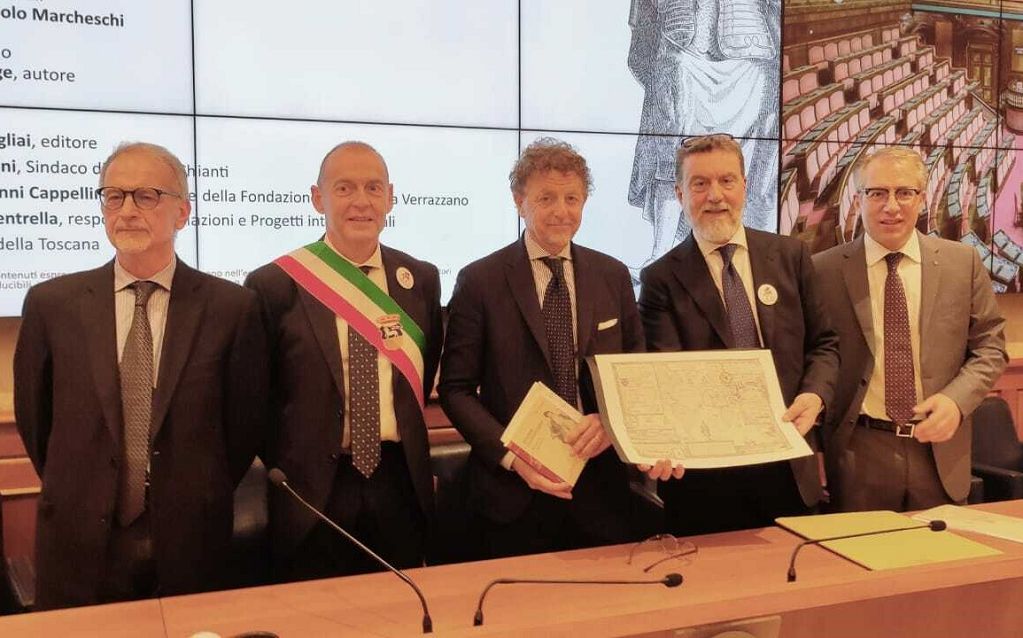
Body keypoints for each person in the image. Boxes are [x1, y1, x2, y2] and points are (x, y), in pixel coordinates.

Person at [14, 142, 267, 609]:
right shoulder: (52, 305)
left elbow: (242, 428)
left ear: (183, 212)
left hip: (191, 539)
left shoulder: (231, 308)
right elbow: (36, 421)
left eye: (146, 196)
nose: (127, 210)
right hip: (77, 538)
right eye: (114, 196)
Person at [245, 141, 442, 579]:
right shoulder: (273, 284)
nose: (361, 201)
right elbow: (256, 399)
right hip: (312, 489)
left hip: (398, 482)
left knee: (400, 605)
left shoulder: (421, 280)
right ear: (318, 199)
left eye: (373, 188)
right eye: (344, 188)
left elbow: (422, 374)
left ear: (390, 197)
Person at [439, 138, 643, 558]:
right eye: (546, 198)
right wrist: (513, 457)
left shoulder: (613, 275)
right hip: (511, 497)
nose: (561, 211)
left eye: (572, 198)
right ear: (520, 202)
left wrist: (610, 421)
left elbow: (636, 374)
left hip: (601, 493)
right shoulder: (480, 281)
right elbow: (456, 390)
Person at [638, 133, 839, 536]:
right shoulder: (660, 279)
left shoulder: (791, 256)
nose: (715, 195)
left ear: (745, 186)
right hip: (707, 481)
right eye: (700, 183)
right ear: (679, 194)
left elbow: (825, 344)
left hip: (789, 467)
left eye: (727, 180)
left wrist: (815, 395)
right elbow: (668, 377)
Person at [813, 147, 1008, 511]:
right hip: (858, 454)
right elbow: (812, 359)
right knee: (864, 548)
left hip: (940, 451)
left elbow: (991, 347)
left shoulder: (962, 263)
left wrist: (956, 401)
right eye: (877, 193)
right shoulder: (822, 271)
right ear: (859, 199)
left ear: (922, 199)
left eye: (904, 192)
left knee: (942, 549)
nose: (891, 206)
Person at [627, 0, 780, 264]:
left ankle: (732, 253)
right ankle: (660, 253)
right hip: (680, 46)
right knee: (671, 155)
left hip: (748, 54)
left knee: (738, 163)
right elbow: (645, 18)